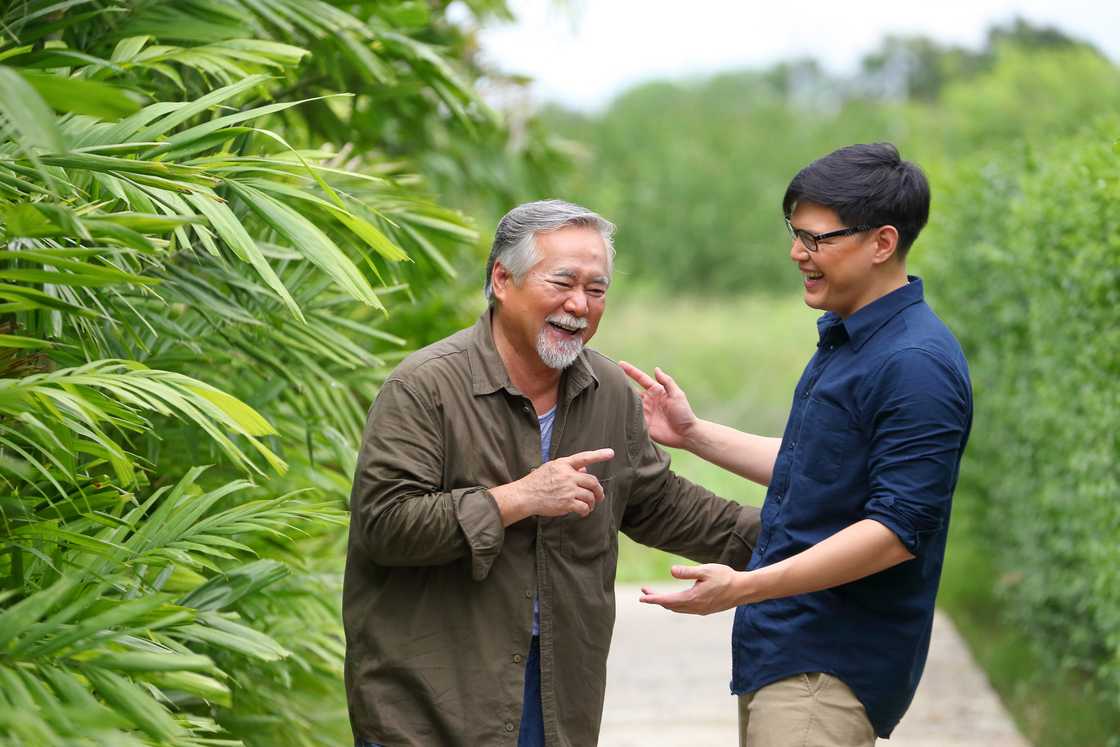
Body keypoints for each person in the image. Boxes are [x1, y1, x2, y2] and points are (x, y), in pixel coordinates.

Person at [343, 199, 761, 747]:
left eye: (597, 290)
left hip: (556, 689)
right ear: (502, 278)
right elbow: (386, 526)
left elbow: (662, 505)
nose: (578, 305)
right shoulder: (424, 388)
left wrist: (812, 538)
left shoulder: (608, 392)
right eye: (563, 282)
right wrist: (517, 498)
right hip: (430, 694)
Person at [625, 143, 973, 746]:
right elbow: (815, 468)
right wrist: (693, 434)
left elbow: (895, 532)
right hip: (787, 649)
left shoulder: (916, 364)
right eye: (794, 233)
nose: (797, 253)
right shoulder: (856, 339)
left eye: (815, 239)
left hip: (828, 666)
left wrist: (746, 585)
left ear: (882, 243)